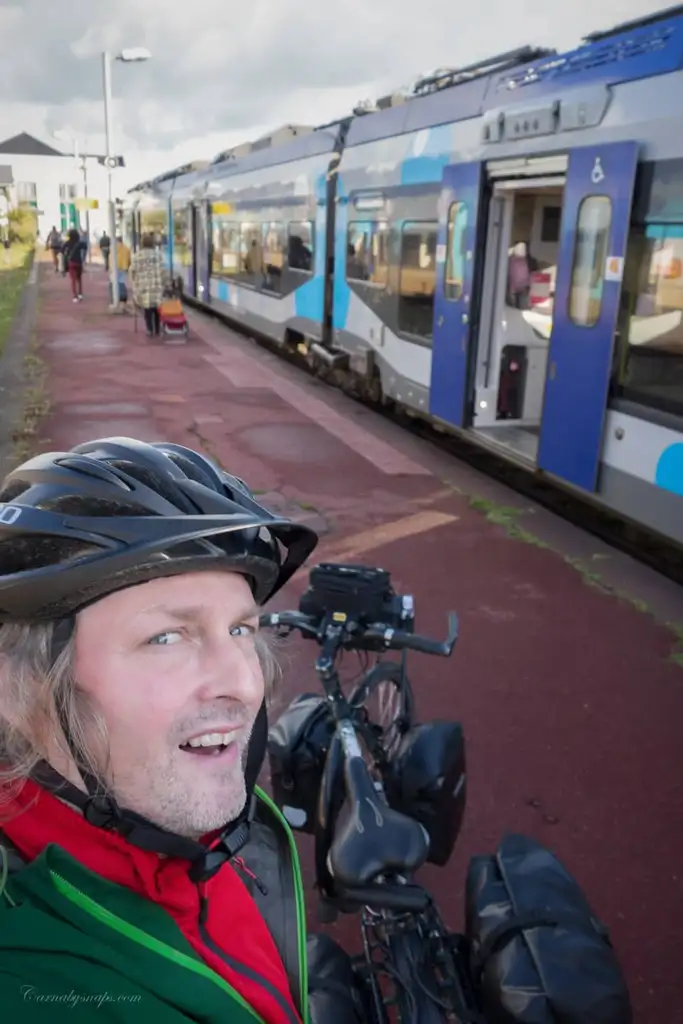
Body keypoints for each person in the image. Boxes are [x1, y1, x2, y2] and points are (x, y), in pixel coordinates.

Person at [0, 437, 369, 1023]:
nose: (246, 686)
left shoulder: (192, 830)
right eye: (167, 637)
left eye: (243, 630)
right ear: (21, 688)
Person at [130, 233, 167, 336]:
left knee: (147, 308)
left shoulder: (137, 256)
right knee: (156, 308)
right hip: (156, 285)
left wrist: (134, 283)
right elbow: (163, 270)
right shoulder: (157, 255)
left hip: (143, 286)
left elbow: (132, 271)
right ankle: (157, 329)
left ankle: (149, 329)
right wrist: (163, 282)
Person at [63, 227, 87, 302]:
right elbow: (85, 247)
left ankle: (75, 296)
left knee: (73, 280)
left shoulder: (67, 242)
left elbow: (62, 250)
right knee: (79, 279)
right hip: (79, 263)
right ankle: (80, 294)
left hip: (71, 263)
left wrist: (66, 253)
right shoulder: (79, 243)